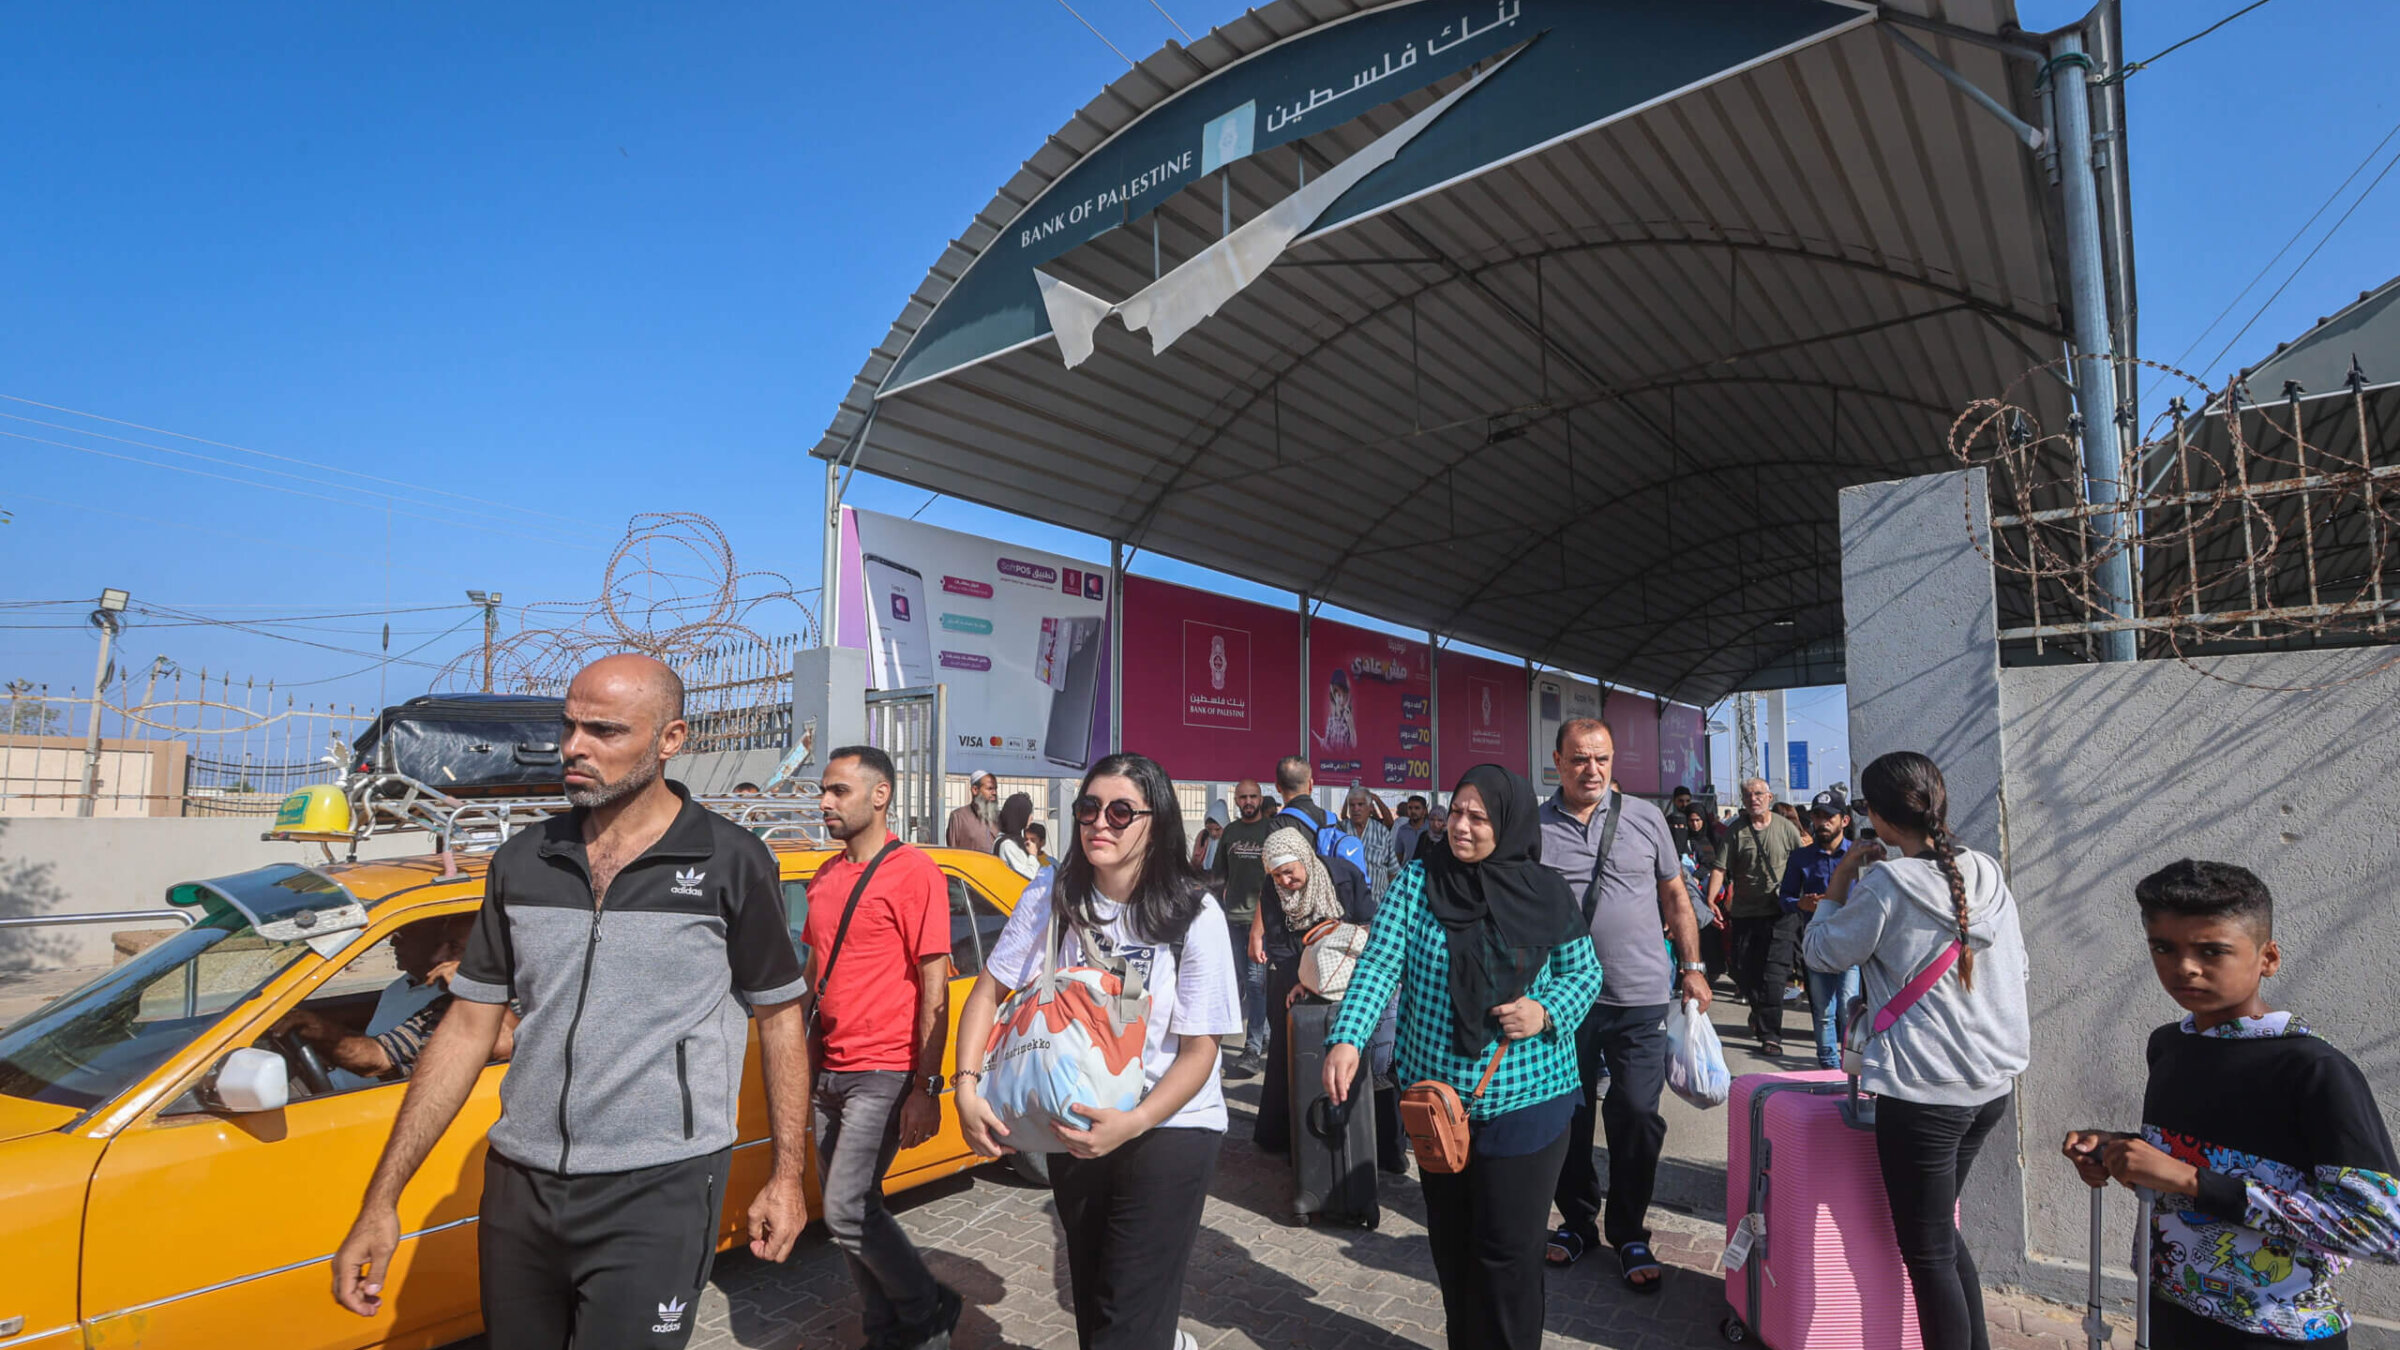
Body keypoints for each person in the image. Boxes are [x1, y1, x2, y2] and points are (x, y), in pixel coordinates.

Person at [331, 654, 814, 1347]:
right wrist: (381, 1201)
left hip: (659, 1188)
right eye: (568, 726)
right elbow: (468, 1027)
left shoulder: (729, 861)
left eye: (604, 732)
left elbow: (779, 1017)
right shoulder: (522, 863)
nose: (573, 749)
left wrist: (786, 1175)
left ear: (670, 740)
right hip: (520, 1186)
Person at [953, 753, 1242, 1350]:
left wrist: (1134, 1122)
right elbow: (988, 993)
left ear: (1155, 823)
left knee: (1125, 1324)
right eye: (1089, 808)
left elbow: (1199, 1052)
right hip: (1076, 1126)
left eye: (1119, 811)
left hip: (1171, 1125)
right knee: (1095, 1305)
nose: (1099, 824)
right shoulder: (1051, 894)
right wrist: (965, 1086)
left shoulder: (1195, 912)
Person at [2064, 860, 2400, 1349]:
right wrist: (2122, 1150)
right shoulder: (2170, 1045)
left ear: (2268, 958)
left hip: (2274, 1332)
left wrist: (2189, 1181)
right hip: (2167, 1312)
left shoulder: (2312, 1068)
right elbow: (2203, 1159)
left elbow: (2382, 1227)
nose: (2184, 967)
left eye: (2212, 951)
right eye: (2164, 948)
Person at [1322, 765, 1601, 1350]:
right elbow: (1379, 965)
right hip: (1437, 1104)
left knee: (1506, 1255)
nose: (1461, 827)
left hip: (1529, 1101)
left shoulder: (1545, 890)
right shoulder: (1419, 881)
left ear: (1509, 821)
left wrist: (1544, 1011)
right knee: (1453, 1248)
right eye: (1457, 813)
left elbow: (1585, 974)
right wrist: (1348, 1037)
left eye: (1479, 817)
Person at [1801, 751, 2029, 1350]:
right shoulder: (1985, 870)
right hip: (1990, 1089)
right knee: (1941, 1240)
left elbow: (1821, 951)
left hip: (1925, 1094)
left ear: (1876, 816)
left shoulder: (1885, 885)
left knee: (1927, 1252)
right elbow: (2019, 968)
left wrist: (1841, 879)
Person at [1535, 720, 1709, 1291]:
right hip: (1564, 998)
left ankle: (1629, 1228)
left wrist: (1693, 968)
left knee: (1635, 1113)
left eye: (1603, 759)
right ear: (1557, 761)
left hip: (1638, 995)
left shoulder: (1645, 818)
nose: (1593, 770)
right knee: (1569, 1114)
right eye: (1580, 759)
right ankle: (1578, 1220)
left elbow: (1675, 896)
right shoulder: (1535, 827)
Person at [806, 745, 965, 1349]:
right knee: (853, 1214)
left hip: (884, 1067)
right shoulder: (824, 877)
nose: (825, 802)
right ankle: (885, 1330)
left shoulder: (915, 872)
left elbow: (935, 990)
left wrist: (928, 1087)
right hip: (830, 1069)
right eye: (824, 790)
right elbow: (813, 976)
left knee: (847, 1209)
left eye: (838, 790)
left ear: (880, 795)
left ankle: (929, 1308)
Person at [275, 914, 521, 1084]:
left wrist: (475, 988)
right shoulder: (441, 1006)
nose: (438, 956)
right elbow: (380, 1056)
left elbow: (507, 1046)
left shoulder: (527, 998)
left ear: (494, 954)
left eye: (453, 947)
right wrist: (320, 1032)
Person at [1252, 820, 1376, 1156]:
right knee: (1290, 1057)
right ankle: (1292, 1141)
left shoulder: (1343, 874)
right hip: (1297, 980)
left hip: (1349, 979)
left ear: (1306, 859)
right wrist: (1298, 981)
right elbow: (1277, 941)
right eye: (1277, 876)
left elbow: (1368, 918)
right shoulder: (1272, 889)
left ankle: (1371, 1143)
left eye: (1289, 873)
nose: (1285, 882)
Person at [1707, 777, 1807, 1056]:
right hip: (1745, 915)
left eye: (1759, 793)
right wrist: (1710, 900)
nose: (1754, 798)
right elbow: (1719, 869)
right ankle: (1759, 1013)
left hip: (1780, 914)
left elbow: (1802, 866)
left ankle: (1771, 1035)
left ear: (1770, 797)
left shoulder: (1786, 829)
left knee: (1774, 976)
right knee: (1743, 971)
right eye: (1748, 794)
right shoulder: (1735, 832)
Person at [1780, 788, 1857, 1071]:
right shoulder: (1801, 858)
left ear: (1844, 821)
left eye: (1829, 817)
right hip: (1817, 945)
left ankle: (1851, 1068)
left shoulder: (1857, 855)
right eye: (1817, 816)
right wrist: (1801, 903)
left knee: (1850, 1008)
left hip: (1852, 944)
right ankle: (1828, 1066)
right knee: (1824, 1011)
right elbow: (1784, 898)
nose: (1822, 822)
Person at [1211, 778, 1276, 1078]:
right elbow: (1219, 874)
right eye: (1243, 797)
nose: (1248, 801)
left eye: (1253, 796)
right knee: (1242, 982)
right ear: (1235, 800)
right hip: (1232, 919)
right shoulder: (1231, 834)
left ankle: (1252, 1048)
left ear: (1261, 798)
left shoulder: (1271, 831)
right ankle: (1263, 1036)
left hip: (1260, 923)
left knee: (1255, 982)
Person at [1345, 785, 1399, 897]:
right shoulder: (1340, 831)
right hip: (1347, 905)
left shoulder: (1382, 832)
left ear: (1370, 807)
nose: (1356, 809)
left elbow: (1393, 872)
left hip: (1377, 904)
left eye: (1360, 804)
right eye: (1352, 805)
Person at [945, 771, 1001, 852]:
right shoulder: (959, 817)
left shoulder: (1000, 818)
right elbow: (952, 850)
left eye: (995, 789)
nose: (994, 793)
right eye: (990, 789)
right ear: (975, 790)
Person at [996, 791, 1040, 880]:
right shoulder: (1008, 845)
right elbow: (1028, 877)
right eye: (1028, 814)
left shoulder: (1011, 840)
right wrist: (1032, 856)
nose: (1031, 817)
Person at [1392, 795, 1432, 860]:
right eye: (1410, 808)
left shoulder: (1432, 828)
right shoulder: (1402, 830)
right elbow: (1399, 856)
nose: (1413, 811)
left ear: (1424, 811)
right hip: (1408, 869)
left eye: (1417, 808)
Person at [1192, 799, 1228, 871]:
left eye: (1217, 829)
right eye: (1209, 829)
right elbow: (1195, 860)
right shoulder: (1203, 836)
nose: (1213, 833)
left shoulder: (1230, 839)